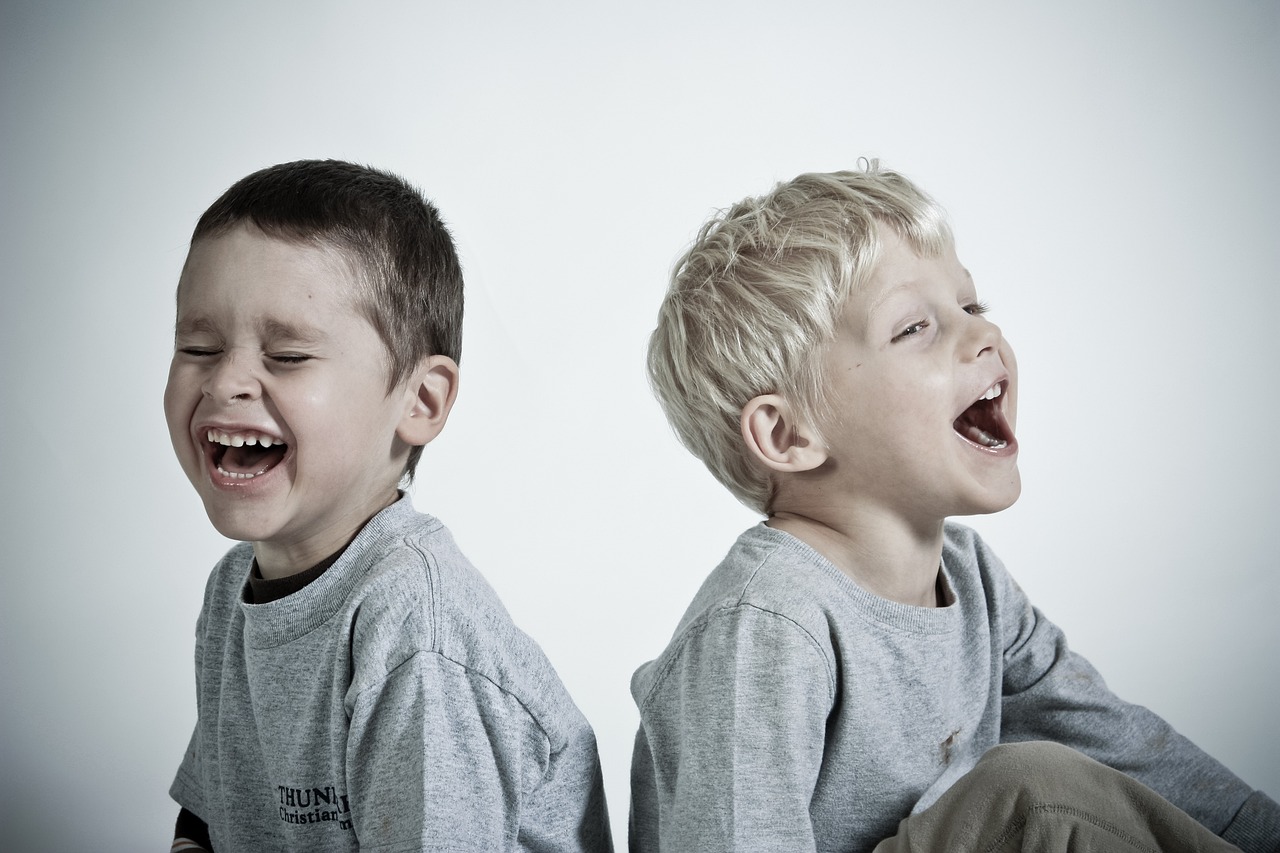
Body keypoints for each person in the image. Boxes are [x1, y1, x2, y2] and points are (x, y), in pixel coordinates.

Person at [629, 163, 1279, 853]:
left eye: (972, 306)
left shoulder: (971, 578)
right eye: (915, 327)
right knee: (1030, 797)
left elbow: (1126, 749)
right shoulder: (764, 625)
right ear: (789, 434)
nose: (983, 335)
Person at [164, 159, 612, 852]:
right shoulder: (232, 591)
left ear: (420, 401)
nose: (225, 380)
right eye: (198, 346)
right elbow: (210, 817)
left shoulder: (414, 632)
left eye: (287, 354)